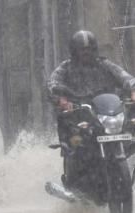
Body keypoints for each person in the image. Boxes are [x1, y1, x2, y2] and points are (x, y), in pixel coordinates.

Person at [47, 30, 135, 188]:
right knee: (73, 138)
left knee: (130, 125)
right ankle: (71, 176)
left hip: (105, 110)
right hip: (78, 112)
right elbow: (52, 83)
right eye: (82, 49)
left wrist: (133, 88)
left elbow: (125, 76)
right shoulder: (66, 68)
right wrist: (61, 99)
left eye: (89, 49)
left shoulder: (104, 64)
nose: (86, 53)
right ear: (74, 51)